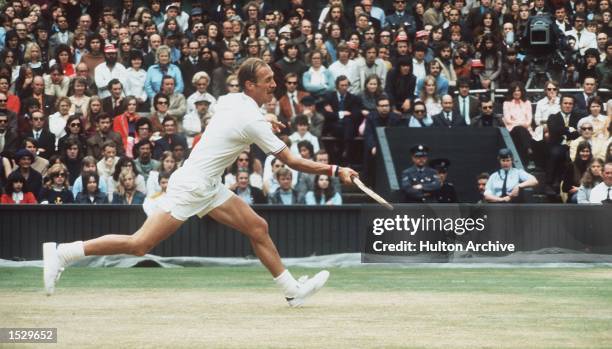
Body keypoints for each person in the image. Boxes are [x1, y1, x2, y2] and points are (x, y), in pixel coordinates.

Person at [44, 58, 358, 307]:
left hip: (208, 185)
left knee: (257, 227)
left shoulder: (234, 100)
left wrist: (265, 120)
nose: (273, 85)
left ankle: (292, 291)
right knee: (139, 245)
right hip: (192, 186)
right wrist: (335, 169)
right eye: (267, 82)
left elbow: (237, 121)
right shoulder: (249, 116)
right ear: (250, 85)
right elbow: (292, 161)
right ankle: (63, 253)